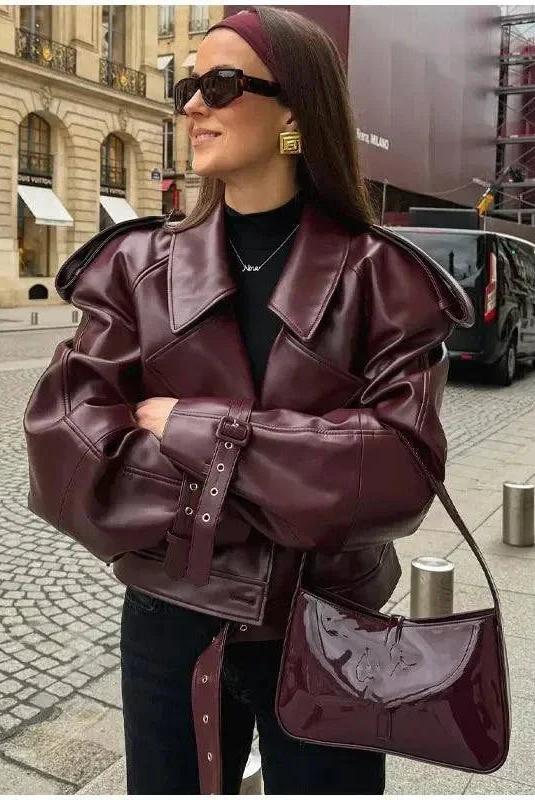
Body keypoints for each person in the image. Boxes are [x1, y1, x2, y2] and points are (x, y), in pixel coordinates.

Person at [23, 6, 471, 795]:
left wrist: (200, 432)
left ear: (295, 107)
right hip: (169, 620)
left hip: (328, 625)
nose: (193, 103)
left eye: (222, 83)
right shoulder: (137, 268)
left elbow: (399, 468)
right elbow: (65, 440)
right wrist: (301, 472)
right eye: (188, 82)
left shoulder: (382, 279)